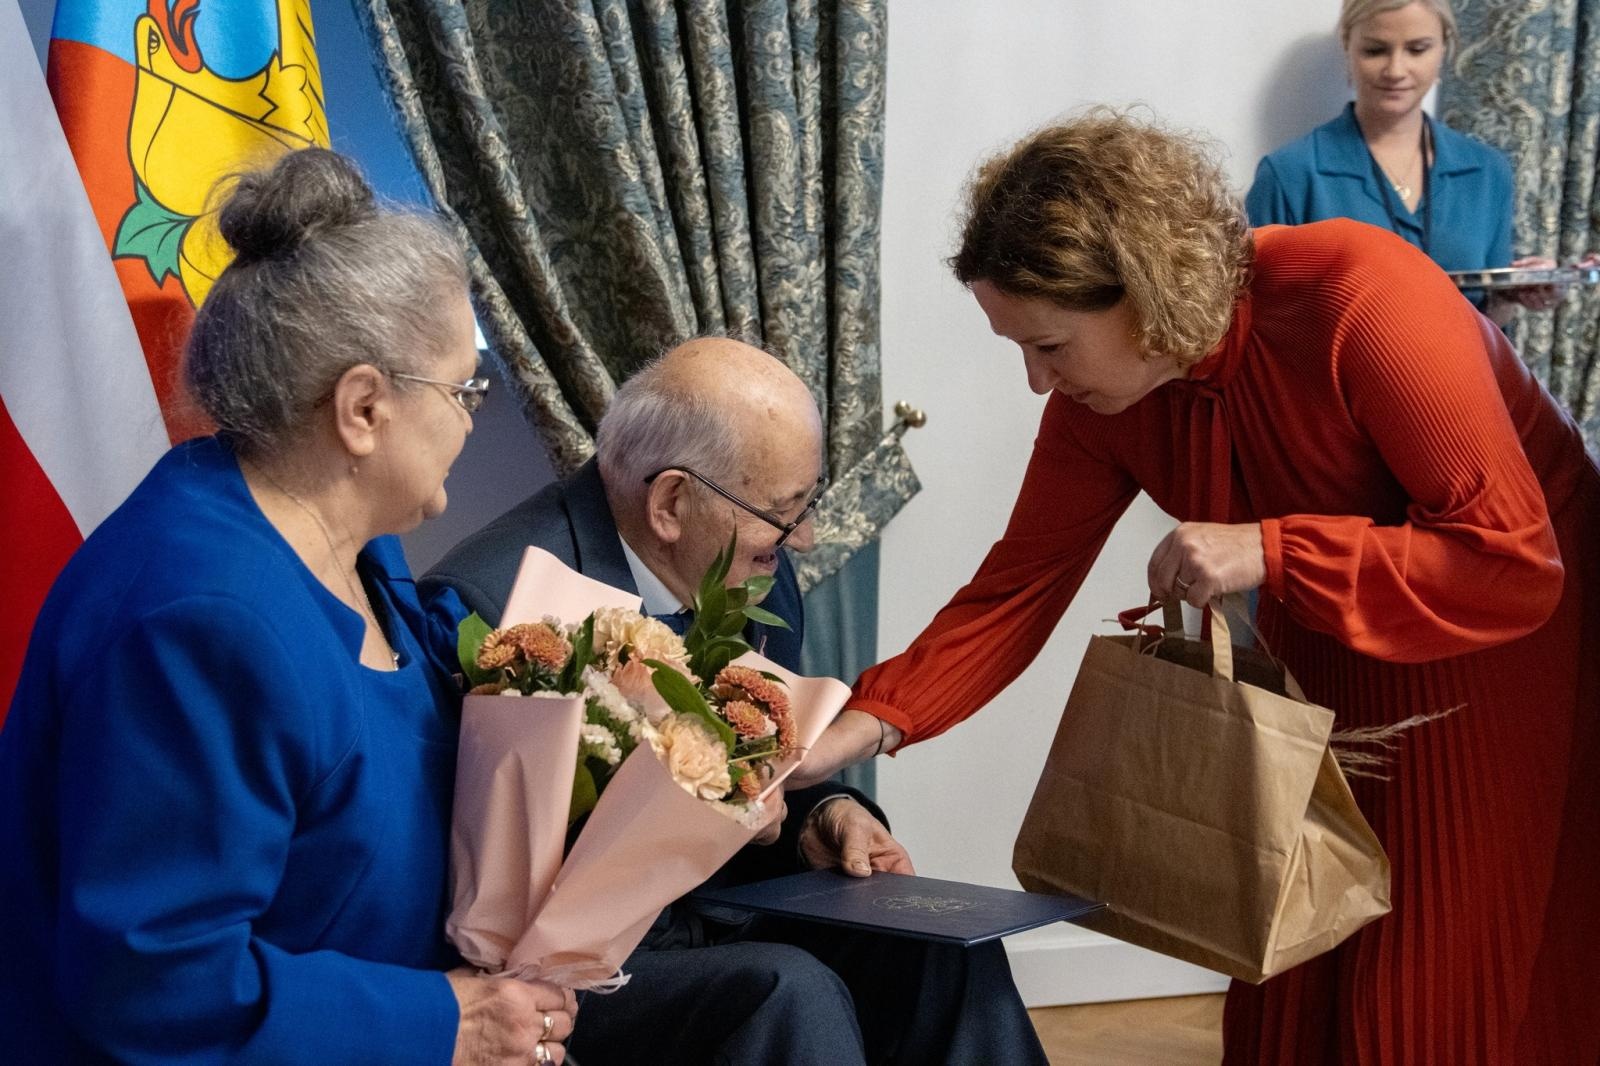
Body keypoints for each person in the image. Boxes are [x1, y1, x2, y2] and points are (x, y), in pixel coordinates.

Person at [798, 111, 1600, 1064]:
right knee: (1296, 958)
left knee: (1426, 979)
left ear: (1144, 294)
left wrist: (1273, 551)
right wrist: (865, 721)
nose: (1035, 383)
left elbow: (1512, 562)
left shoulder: (1361, 294)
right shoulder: (1115, 395)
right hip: (1327, 644)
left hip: (1494, 653)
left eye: (1050, 346)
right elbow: (1017, 587)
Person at [0, 149, 575, 1065]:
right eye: (466, 388)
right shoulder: (204, 620)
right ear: (361, 409)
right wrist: (449, 1025)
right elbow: (155, 983)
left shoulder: (346, 541)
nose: (473, 417)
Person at [422, 336, 1047, 1066]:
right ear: (672, 502)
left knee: (947, 956)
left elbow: (757, 781)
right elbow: (465, 884)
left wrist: (820, 814)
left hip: (731, 912)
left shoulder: (755, 576)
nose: (805, 538)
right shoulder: (491, 608)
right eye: (784, 512)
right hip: (573, 976)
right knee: (786, 992)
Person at [1244, 0, 1570, 323]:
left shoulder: (1487, 171)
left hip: (1459, 374)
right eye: (1375, 50)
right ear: (1348, 47)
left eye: (1417, 49)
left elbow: (1492, 321)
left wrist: (1518, 293)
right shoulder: (1290, 175)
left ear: (1444, 47)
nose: (1396, 70)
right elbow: (1262, 325)